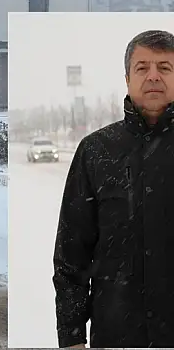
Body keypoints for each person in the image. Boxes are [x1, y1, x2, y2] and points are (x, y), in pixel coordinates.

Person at [53, 30, 174, 349]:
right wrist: (71, 336)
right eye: (142, 67)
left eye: (165, 67)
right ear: (127, 78)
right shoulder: (96, 151)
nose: (153, 77)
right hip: (117, 334)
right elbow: (71, 255)